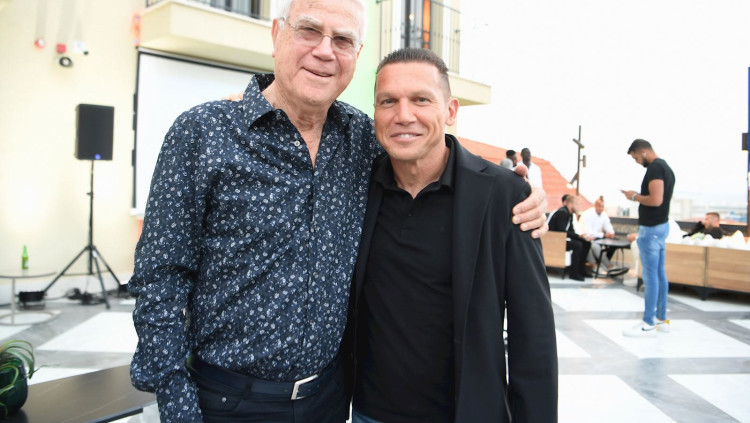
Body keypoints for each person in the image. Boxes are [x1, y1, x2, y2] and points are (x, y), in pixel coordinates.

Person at [128, 1, 549, 421]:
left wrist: (515, 187)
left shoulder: (361, 139)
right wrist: (176, 403)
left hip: (329, 402)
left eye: (343, 39)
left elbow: (424, 143)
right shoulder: (204, 133)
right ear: (276, 35)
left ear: (356, 55)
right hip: (227, 403)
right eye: (309, 30)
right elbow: (160, 278)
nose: (325, 51)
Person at [345, 48, 557, 423]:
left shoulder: (504, 196)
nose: (403, 115)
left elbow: (533, 334)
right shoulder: (356, 185)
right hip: (368, 413)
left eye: (421, 99)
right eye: (388, 101)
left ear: (451, 111)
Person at [621, 139, 675, 337]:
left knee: (650, 276)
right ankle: (661, 319)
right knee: (659, 274)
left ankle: (648, 322)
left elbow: (655, 199)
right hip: (661, 227)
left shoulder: (655, 168)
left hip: (651, 229)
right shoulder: (666, 168)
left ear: (643, 152)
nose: (636, 161)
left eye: (635, 157)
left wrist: (633, 196)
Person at [548, 195, 594, 281]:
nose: (578, 207)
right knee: (577, 245)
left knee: (586, 243)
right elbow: (561, 231)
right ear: (570, 204)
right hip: (554, 240)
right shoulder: (562, 212)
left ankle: (581, 270)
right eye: (577, 204)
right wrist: (578, 236)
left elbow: (570, 230)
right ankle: (573, 273)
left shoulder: (570, 215)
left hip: (561, 239)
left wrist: (581, 237)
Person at [579, 196, 616, 270]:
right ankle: (600, 266)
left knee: (612, 247)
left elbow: (608, 227)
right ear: (595, 205)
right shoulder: (588, 214)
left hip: (598, 238)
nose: (601, 208)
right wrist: (604, 235)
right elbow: (589, 232)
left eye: (602, 206)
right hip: (586, 238)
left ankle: (605, 266)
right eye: (599, 206)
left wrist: (611, 233)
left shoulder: (604, 215)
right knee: (594, 246)